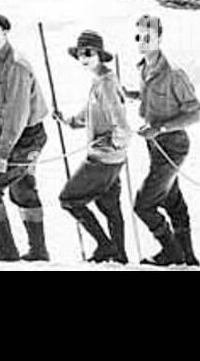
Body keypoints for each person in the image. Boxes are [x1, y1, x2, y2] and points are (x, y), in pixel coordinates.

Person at [0, 12, 50, 262]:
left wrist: (3, 154)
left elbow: (17, 114)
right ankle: (38, 252)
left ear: (5, 32)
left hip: (25, 137)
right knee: (23, 189)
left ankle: (7, 250)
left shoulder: (16, 65)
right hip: (15, 136)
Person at [131, 14, 200, 266]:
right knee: (172, 201)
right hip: (155, 145)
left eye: (148, 37)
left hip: (173, 145)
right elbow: (150, 98)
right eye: (139, 36)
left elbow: (194, 113)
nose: (142, 41)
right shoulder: (143, 68)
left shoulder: (174, 73)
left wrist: (159, 128)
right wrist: (130, 94)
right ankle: (189, 258)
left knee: (143, 205)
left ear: (159, 38)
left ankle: (172, 253)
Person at [54, 30, 131, 264]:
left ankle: (105, 246)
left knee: (68, 199)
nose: (83, 58)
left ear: (99, 54)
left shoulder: (106, 84)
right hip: (113, 159)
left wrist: (111, 145)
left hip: (103, 159)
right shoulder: (101, 80)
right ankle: (120, 255)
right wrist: (70, 121)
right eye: (79, 54)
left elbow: (123, 127)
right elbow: (92, 112)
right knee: (110, 206)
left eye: (88, 53)